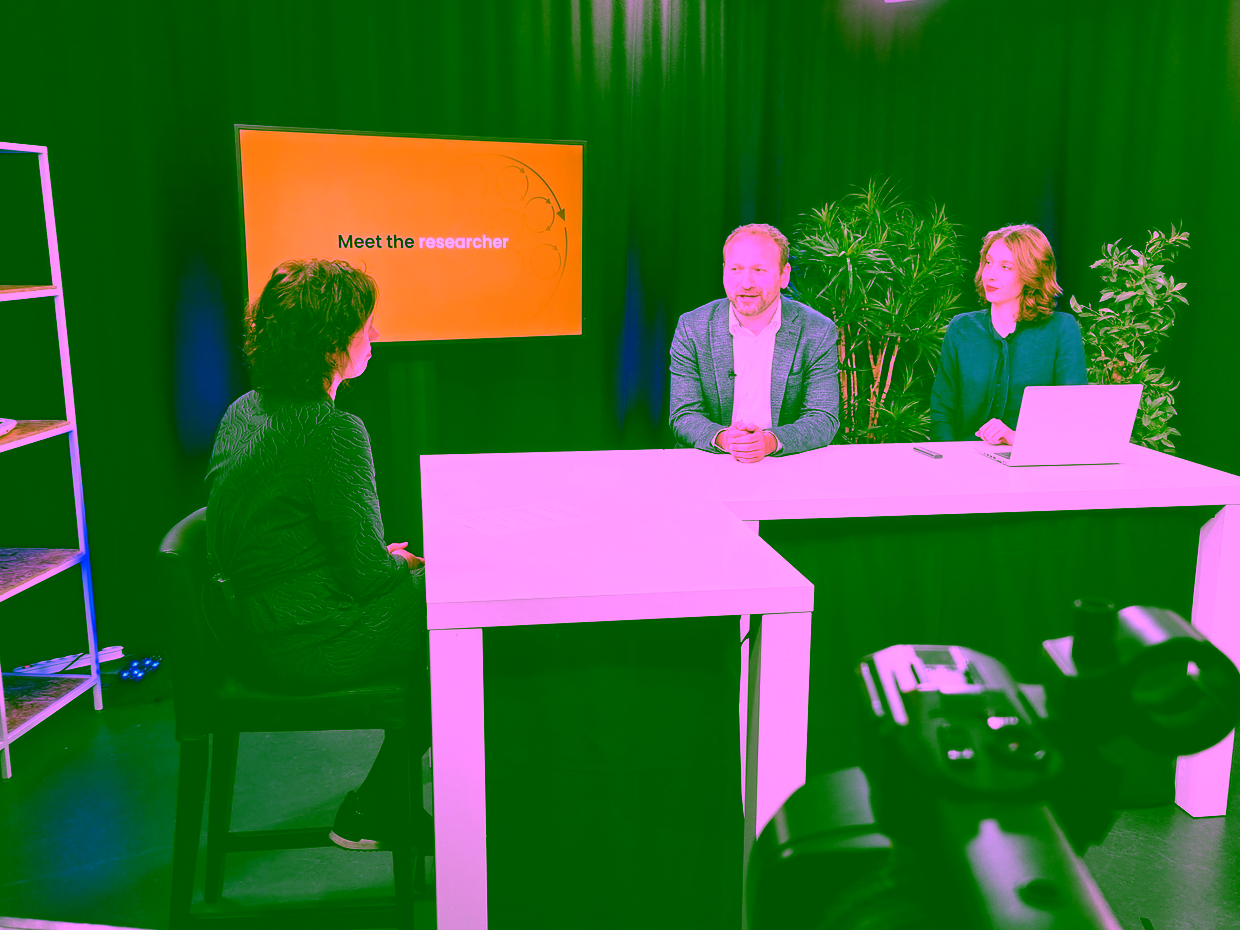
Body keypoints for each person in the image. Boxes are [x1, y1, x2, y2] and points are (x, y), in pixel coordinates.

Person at [205, 258, 430, 853]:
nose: (375, 334)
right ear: (332, 344)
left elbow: (284, 538)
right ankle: (376, 810)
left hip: (251, 629)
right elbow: (366, 576)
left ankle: (384, 801)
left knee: (441, 607)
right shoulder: (333, 432)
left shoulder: (245, 409)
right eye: (365, 325)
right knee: (461, 619)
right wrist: (399, 564)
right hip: (300, 640)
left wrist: (380, 560)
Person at [669, 223, 840, 461]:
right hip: (710, 461)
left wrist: (769, 442)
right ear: (724, 272)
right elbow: (684, 415)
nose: (746, 283)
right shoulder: (693, 327)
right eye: (736, 269)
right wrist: (727, 439)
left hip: (787, 463)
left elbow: (822, 418)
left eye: (759, 270)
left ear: (784, 275)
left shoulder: (816, 330)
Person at [930, 224, 1087, 444]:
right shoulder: (961, 328)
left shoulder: (1062, 329)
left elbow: (1072, 418)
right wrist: (951, 459)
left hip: (1033, 460)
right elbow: (942, 411)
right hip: (965, 460)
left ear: (1032, 274)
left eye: (1005, 267)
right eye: (988, 262)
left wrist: (1014, 438)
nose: (990, 275)